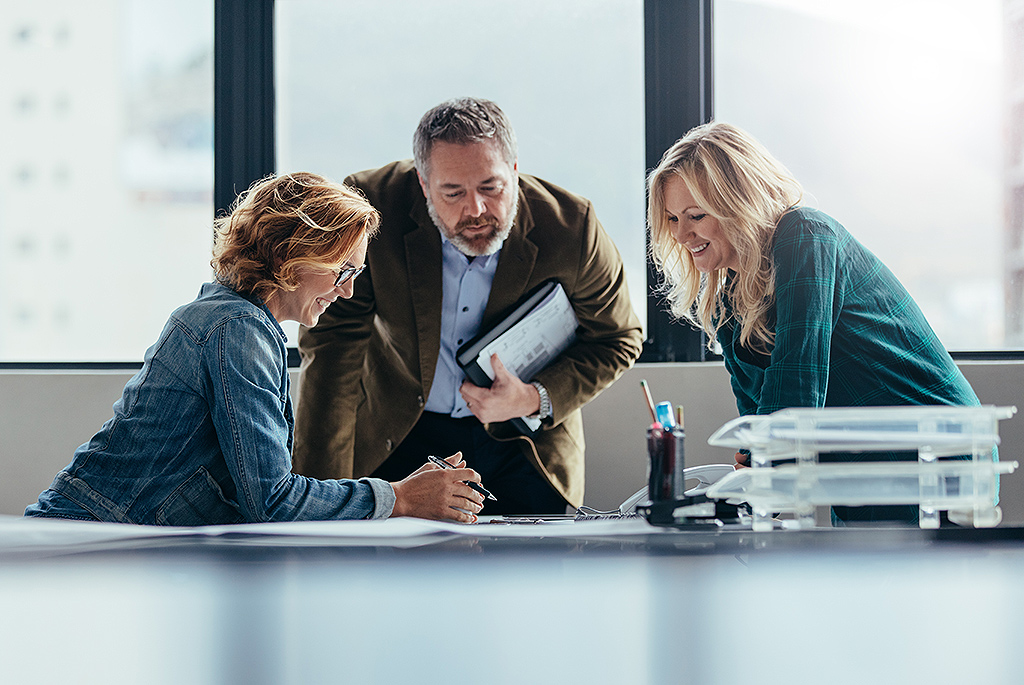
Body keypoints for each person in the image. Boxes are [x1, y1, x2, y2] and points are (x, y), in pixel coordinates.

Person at [25, 172, 484, 525]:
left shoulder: (234, 318)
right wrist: (400, 498)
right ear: (295, 253)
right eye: (342, 271)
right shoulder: (238, 329)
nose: (346, 292)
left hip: (104, 535)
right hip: (85, 539)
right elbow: (273, 500)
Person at [293, 97, 643, 515]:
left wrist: (533, 398)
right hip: (401, 432)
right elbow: (334, 345)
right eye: (453, 192)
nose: (475, 210)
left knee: (530, 575)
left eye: (491, 188)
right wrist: (321, 498)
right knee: (388, 575)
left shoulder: (572, 226)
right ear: (423, 184)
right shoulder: (372, 207)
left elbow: (618, 337)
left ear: (514, 172)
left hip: (523, 445)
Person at [646, 121, 984, 525]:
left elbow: (796, 378)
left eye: (695, 215)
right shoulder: (724, 301)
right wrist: (750, 467)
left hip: (931, 453)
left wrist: (759, 463)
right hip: (856, 465)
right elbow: (759, 417)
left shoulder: (805, 234)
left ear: (737, 202)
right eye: (670, 219)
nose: (682, 234)